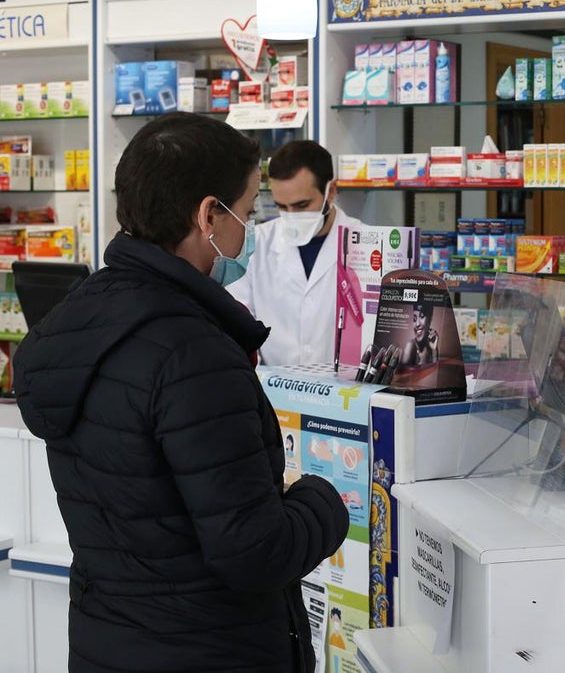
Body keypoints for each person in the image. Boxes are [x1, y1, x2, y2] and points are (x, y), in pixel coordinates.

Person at [13, 112, 350, 672]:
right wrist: (323, 500)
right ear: (208, 216)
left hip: (107, 643)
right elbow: (256, 553)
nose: (251, 231)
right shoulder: (194, 353)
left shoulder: (82, 318)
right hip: (210, 649)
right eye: (247, 212)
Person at [229, 139, 363, 366]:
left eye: (302, 206)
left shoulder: (367, 246)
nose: (291, 215)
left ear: (331, 192)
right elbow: (238, 321)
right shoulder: (255, 243)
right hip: (269, 383)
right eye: (282, 206)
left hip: (346, 386)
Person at [400, 299, 439, 366]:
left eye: (422, 316)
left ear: (430, 319)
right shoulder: (410, 346)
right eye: (414, 319)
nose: (417, 324)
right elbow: (403, 372)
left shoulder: (432, 346)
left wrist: (434, 351)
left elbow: (435, 371)